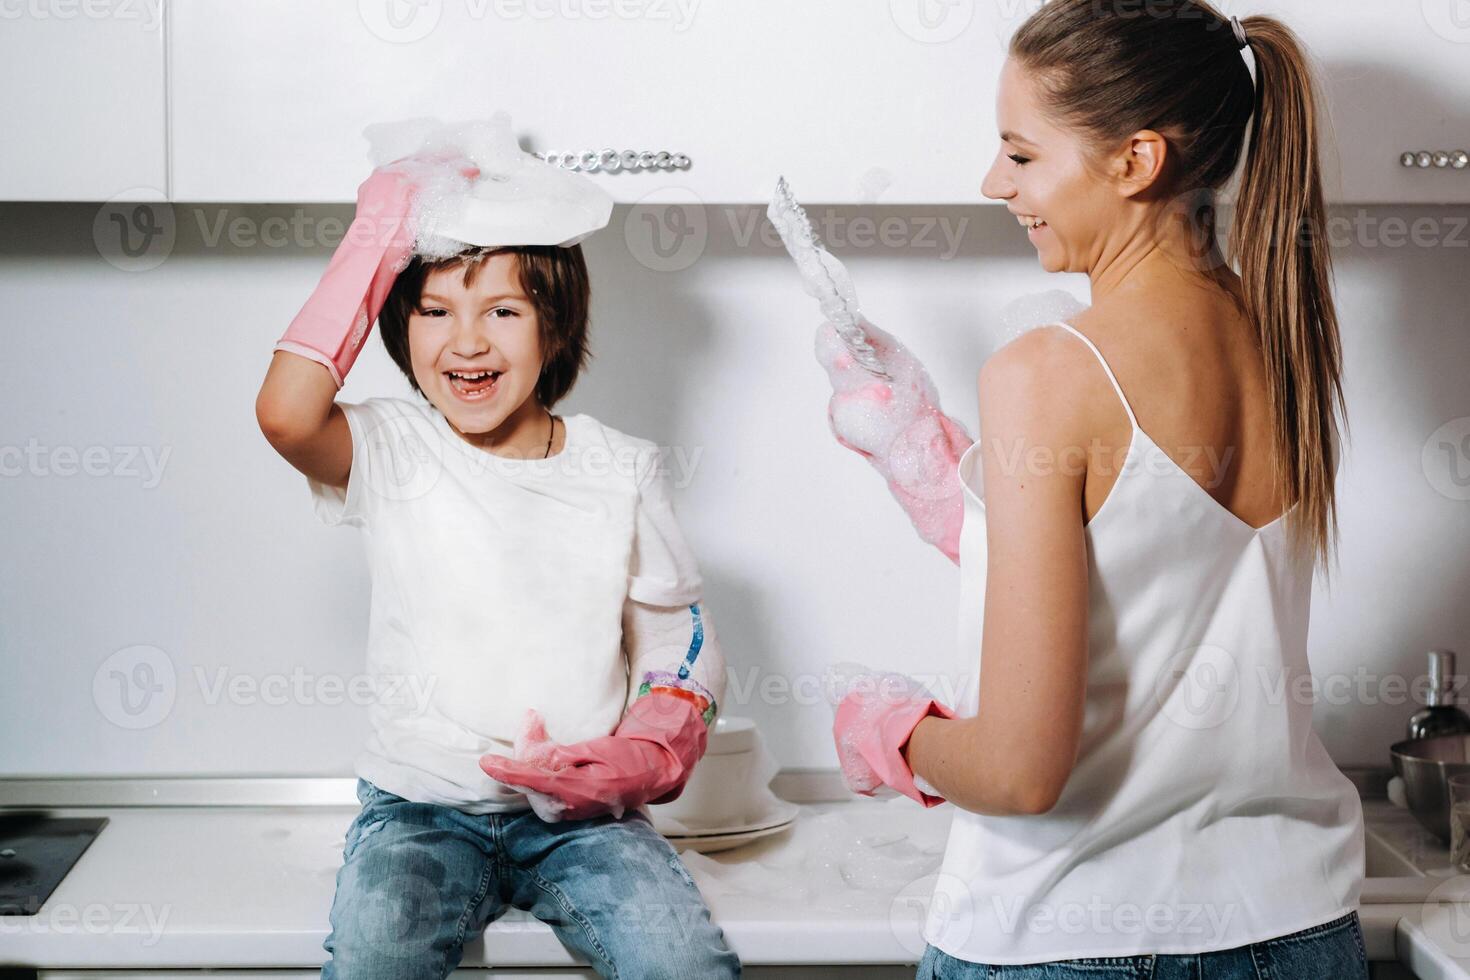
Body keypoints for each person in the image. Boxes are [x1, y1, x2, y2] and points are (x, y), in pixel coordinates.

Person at [825, 2, 1367, 976]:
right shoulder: (1289, 345)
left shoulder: (1049, 372)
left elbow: (1021, 770)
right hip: (1296, 928)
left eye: (1022, 155)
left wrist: (892, 732)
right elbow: (1155, 556)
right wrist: (946, 470)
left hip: (1068, 937)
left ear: (1135, 161)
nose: (995, 183)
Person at [255, 142, 740, 979]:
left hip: (586, 821)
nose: (465, 341)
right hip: (419, 809)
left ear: (556, 327)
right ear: (396, 324)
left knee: (684, 963)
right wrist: (382, 229)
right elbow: (288, 416)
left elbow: (676, 641)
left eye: (503, 311)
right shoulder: (395, 447)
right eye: (434, 311)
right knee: (372, 962)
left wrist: (651, 752)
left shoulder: (618, 467)